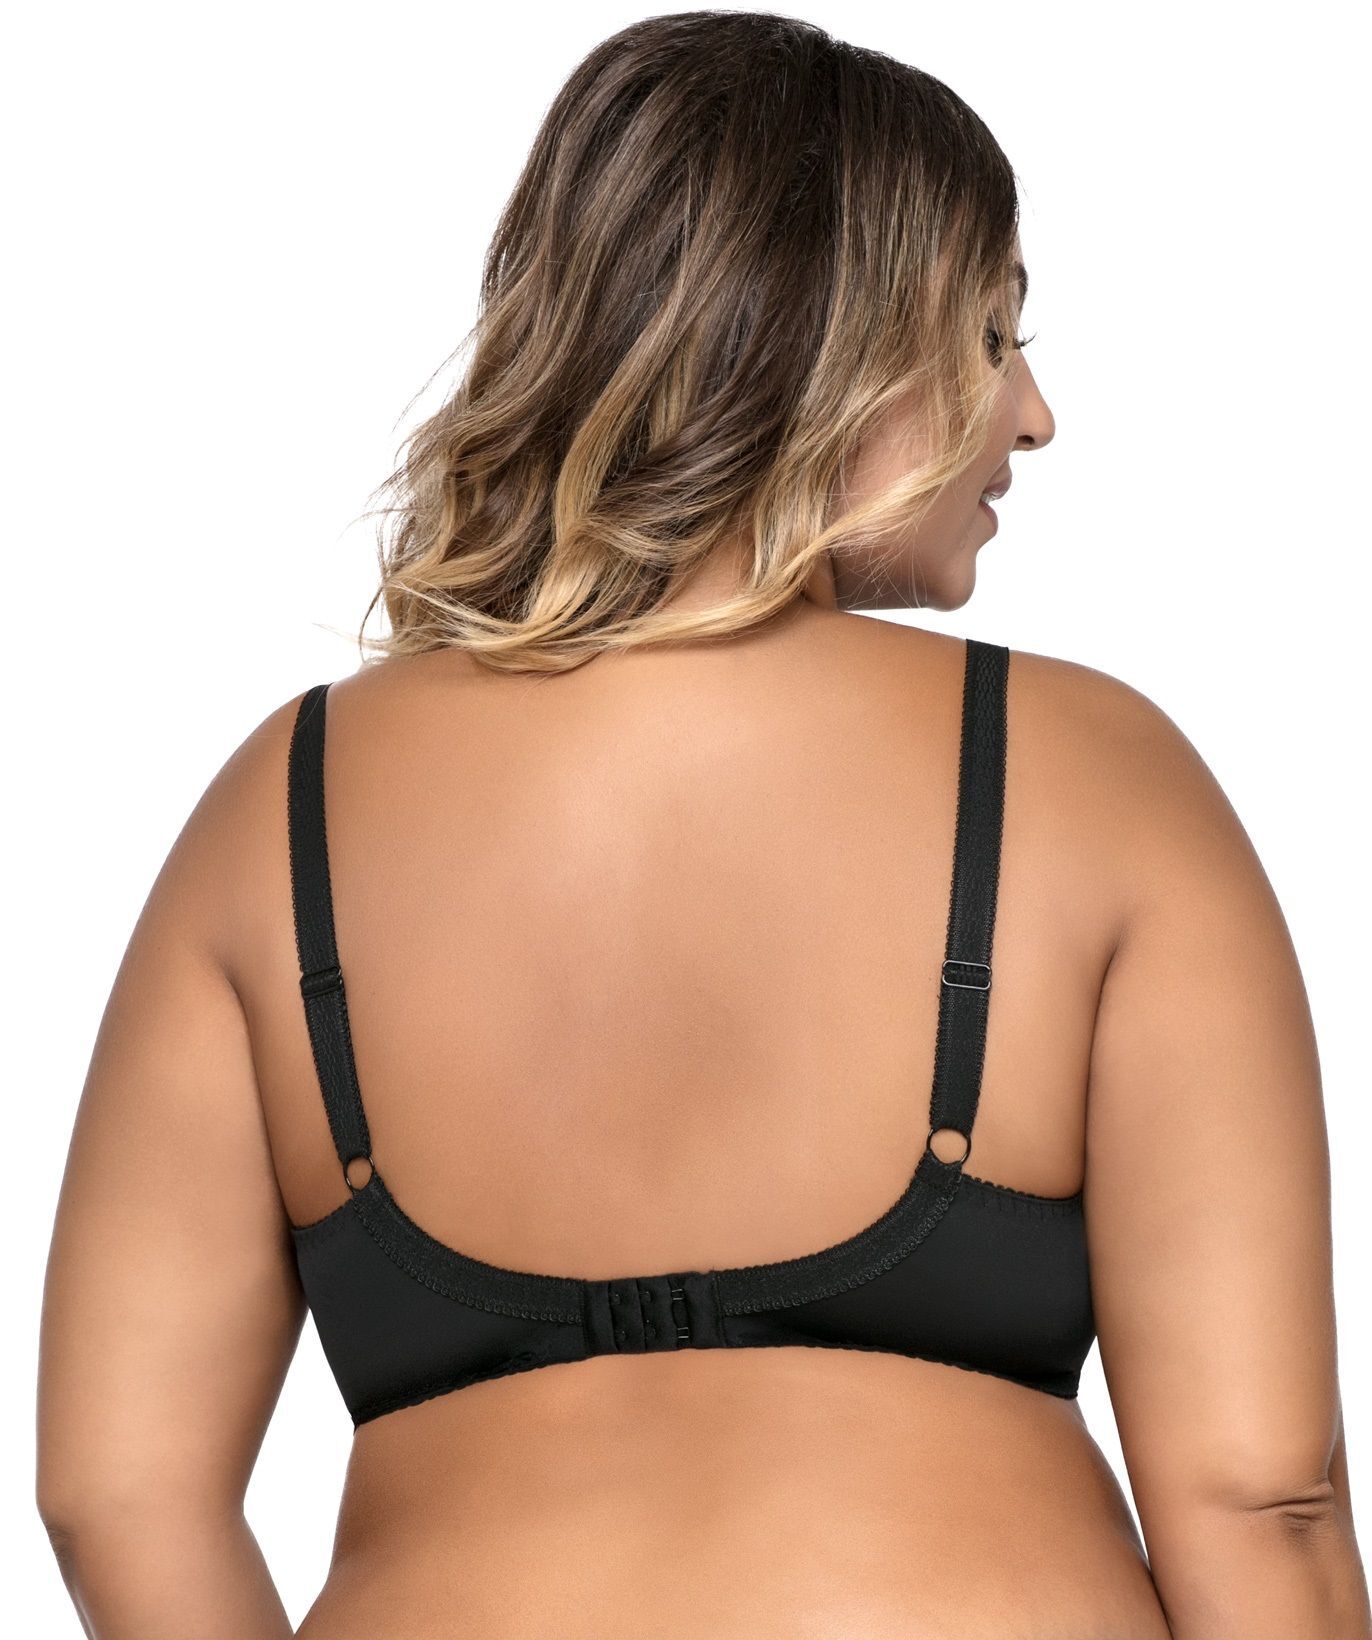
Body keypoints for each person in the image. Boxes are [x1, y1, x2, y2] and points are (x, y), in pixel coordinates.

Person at [35, 10, 1370, 1638]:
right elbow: (1261, 1498)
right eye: (991, 334)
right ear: (835, 338)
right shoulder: (1099, 778)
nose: (1032, 414)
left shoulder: (281, 808)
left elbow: (118, 1489)